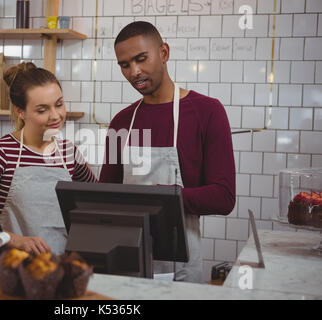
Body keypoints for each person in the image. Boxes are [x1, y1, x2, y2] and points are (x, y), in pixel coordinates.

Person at [99, 21, 236, 283]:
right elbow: (107, 192)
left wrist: (165, 198)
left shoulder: (207, 112)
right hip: (127, 259)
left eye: (141, 59)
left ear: (164, 53)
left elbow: (224, 196)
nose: (134, 72)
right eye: (125, 65)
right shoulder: (121, 122)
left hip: (181, 263)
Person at [0, 62, 97, 255]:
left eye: (59, 104)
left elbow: (96, 202)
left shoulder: (69, 153)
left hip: (62, 267)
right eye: (42, 110)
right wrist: (17, 241)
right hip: (11, 266)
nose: (55, 116)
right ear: (21, 112)